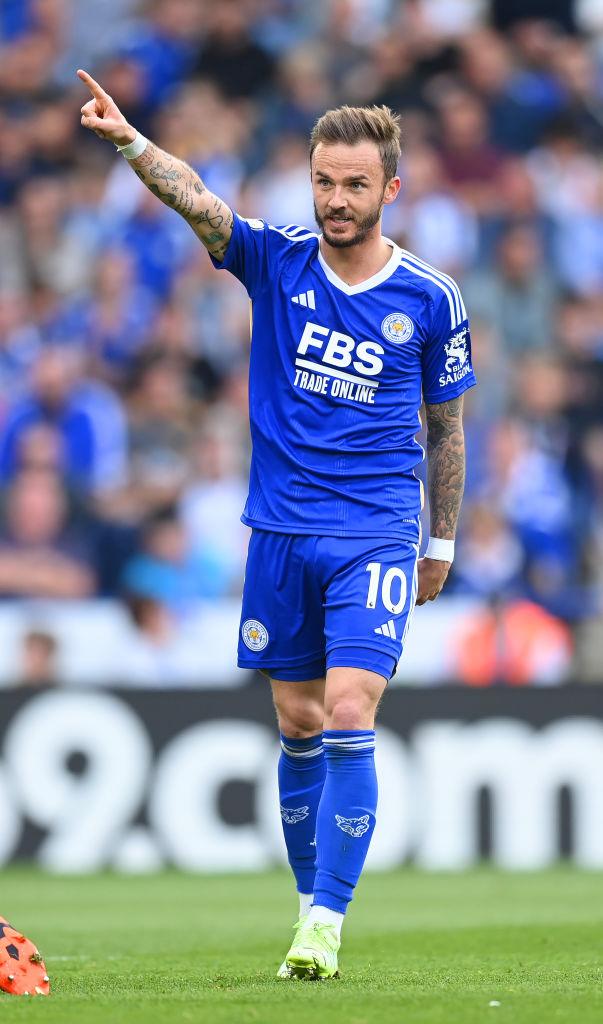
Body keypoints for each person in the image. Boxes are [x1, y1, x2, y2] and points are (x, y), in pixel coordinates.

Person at [78, 68, 476, 980]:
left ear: (390, 190)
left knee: (349, 706)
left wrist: (440, 540)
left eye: (354, 185)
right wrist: (130, 142)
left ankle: (326, 923)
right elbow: (198, 201)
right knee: (297, 722)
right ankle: (306, 905)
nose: (335, 200)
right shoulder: (279, 260)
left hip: (375, 529)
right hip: (281, 530)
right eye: (323, 182)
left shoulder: (431, 297)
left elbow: (445, 427)